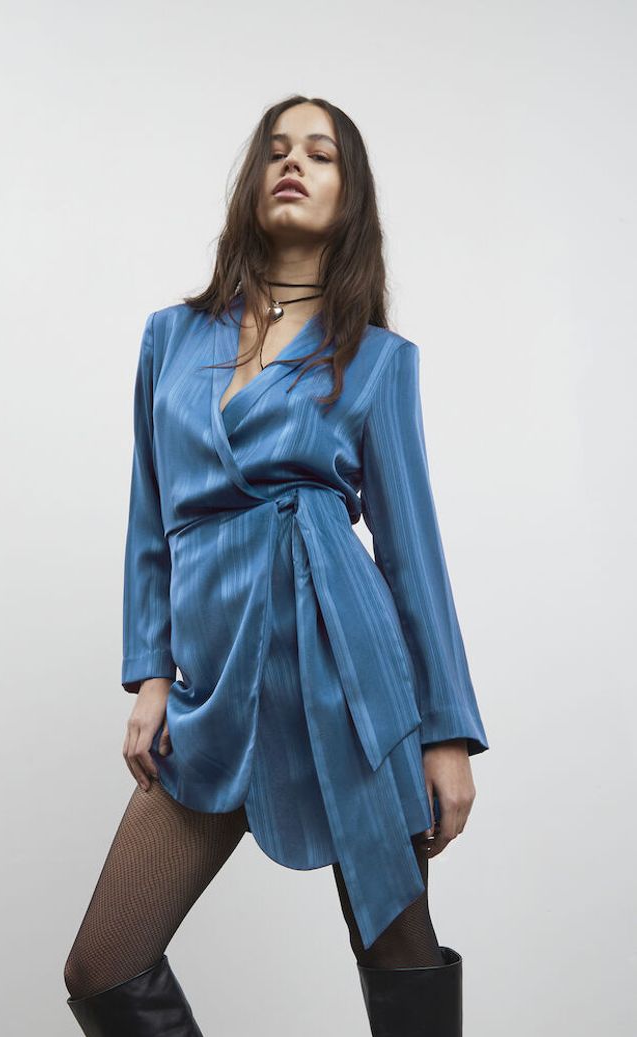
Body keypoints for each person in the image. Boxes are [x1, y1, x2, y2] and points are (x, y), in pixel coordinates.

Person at [63, 94, 489, 1037]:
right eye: (277, 149)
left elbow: (413, 553)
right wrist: (151, 674)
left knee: (398, 952)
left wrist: (447, 734)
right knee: (102, 964)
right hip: (215, 685)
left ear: (350, 194)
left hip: (349, 679)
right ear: (253, 180)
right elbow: (149, 515)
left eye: (321, 153)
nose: (293, 162)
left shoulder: (376, 359)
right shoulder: (172, 337)